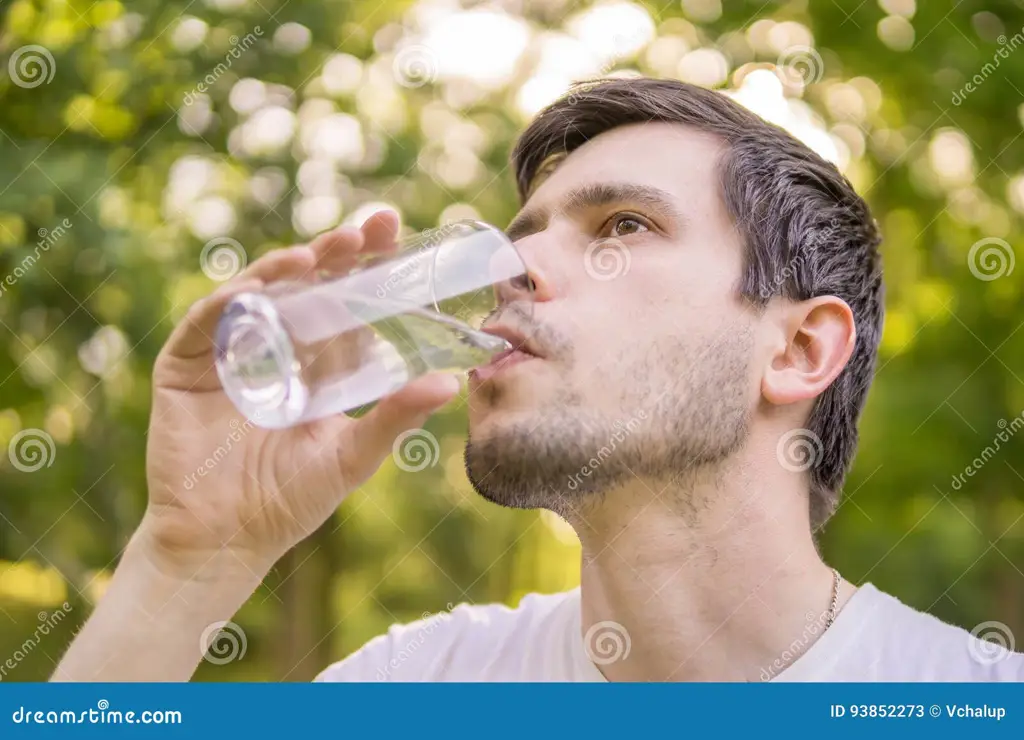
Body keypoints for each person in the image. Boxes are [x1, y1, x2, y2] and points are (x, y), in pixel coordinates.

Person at [53, 77, 1023, 682]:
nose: (510, 273)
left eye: (622, 227)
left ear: (801, 349)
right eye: (521, 236)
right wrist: (187, 562)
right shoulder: (418, 685)